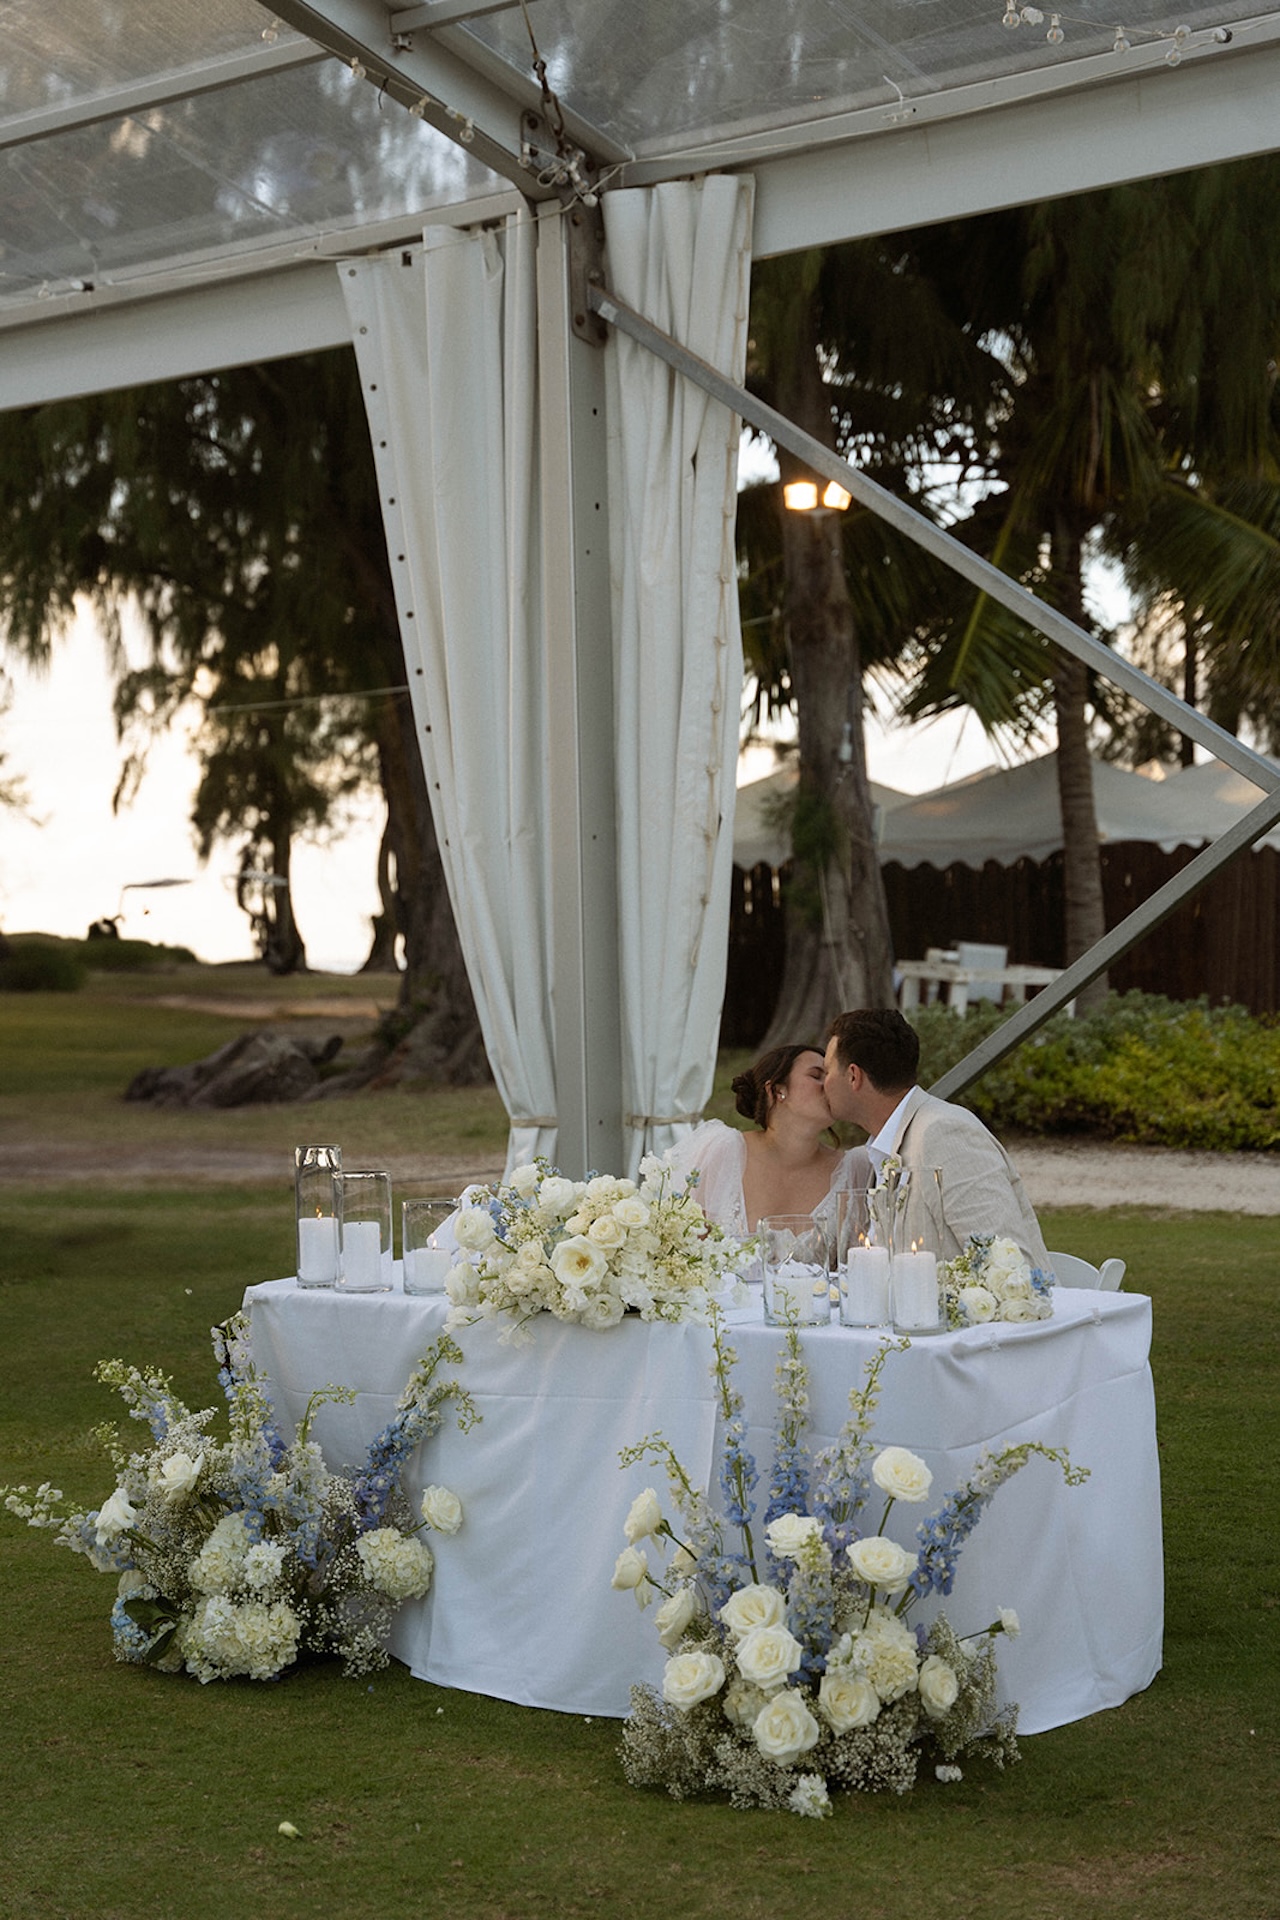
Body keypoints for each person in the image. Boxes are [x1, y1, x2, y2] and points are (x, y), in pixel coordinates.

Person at [823, 1007, 1049, 1269]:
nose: (823, 1084)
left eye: (827, 1071)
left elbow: (1008, 1264)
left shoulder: (944, 1133)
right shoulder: (880, 1150)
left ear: (853, 1076)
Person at [667, 1043, 871, 1237]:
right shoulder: (723, 1151)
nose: (828, 1085)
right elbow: (680, 1247)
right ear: (776, 1090)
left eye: (829, 1077)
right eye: (816, 1075)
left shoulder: (853, 1171)